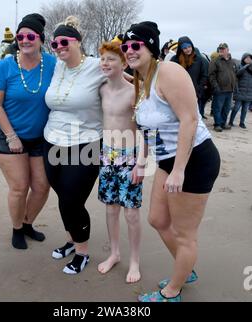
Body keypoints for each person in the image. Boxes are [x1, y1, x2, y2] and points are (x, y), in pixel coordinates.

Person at [121, 21, 221, 302]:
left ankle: (172, 292)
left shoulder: (169, 72)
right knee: (157, 219)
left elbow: (190, 119)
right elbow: (146, 127)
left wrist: (179, 170)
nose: (129, 50)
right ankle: (184, 266)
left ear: (151, 48)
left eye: (135, 45)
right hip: (167, 159)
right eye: (126, 46)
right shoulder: (141, 77)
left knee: (184, 232)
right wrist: (141, 162)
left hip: (194, 159)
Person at [43, 16, 107, 275]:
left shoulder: (96, 66)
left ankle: (82, 252)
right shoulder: (56, 67)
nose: (58, 47)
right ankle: (72, 239)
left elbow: (128, 79)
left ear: (78, 42)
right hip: (52, 141)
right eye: (54, 43)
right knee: (63, 196)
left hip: (86, 143)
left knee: (72, 199)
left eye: (64, 42)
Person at [0, 13, 56, 249]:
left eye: (30, 36)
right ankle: (17, 228)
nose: (25, 40)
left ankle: (27, 223)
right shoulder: (5, 66)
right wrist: (11, 136)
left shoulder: (52, 63)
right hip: (7, 135)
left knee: (41, 186)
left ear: (40, 38)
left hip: (39, 136)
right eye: (20, 36)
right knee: (19, 187)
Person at [97, 40, 144, 283]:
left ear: (123, 63)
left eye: (110, 59)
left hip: (130, 157)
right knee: (110, 208)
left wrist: (142, 163)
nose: (104, 63)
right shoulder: (101, 88)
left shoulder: (135, 90)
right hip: (107, 155)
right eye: (102, 59)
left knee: (131, 214)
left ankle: (134, 260)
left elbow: (146, 129)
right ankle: (114, 253)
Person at [171, 37, 208, 119]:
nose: (188, 49)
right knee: (178, 116)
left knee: (193, 117)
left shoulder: (199, 60)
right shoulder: (174, 60)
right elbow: (170, 75)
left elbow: (204, 76)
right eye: (184, 48)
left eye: (189, 47)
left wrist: (198, 89)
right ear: (181, 49)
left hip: (194, 93)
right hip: (178, 93)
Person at [209, 43, 237, 132]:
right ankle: (217, 124)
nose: (221, 50)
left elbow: (234, 74)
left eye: (223, 49)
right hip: (220, 90)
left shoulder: (232, 61)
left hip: (230, 90)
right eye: (220, 49)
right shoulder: (215, 61)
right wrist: (216, 87)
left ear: (227, 50)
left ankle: (223, 123)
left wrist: (235, 86)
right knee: (218, 108)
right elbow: (211, 76)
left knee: (227, 108)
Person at [229, 53, 252, 129]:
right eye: (247, 58)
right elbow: (238, 74)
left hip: (249, 92)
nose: (249, 59)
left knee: (245, 109)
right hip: (240, 91)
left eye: (250, 58)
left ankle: (242, 123)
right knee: (236, 108)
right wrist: (246, 66)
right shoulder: (240, 66)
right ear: (243, 58)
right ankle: (231, 121)